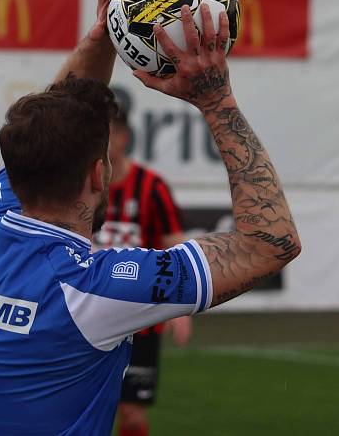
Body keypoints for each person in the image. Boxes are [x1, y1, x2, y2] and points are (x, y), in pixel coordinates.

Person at [0, 0, 301, 436]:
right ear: (98, 175)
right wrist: (217, 100)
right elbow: (271, 242)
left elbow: (59, 119)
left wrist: (107, 34)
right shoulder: (91, 291)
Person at [95, 105, 191, 436]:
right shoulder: (83, 185)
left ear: (123, 138)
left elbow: (175, 246)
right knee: (83, 407)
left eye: (105, 135)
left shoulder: (152, 187)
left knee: (132, 413)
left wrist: (181, 307)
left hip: (141, 320)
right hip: (89, 313)